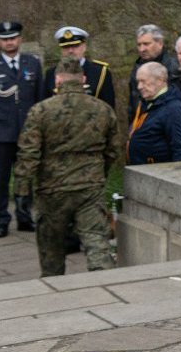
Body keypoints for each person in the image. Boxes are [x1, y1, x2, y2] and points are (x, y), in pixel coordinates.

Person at [11, 55, 119, 276]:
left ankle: (56, 296)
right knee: (97, 243)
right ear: (84, 79)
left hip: (52, 190)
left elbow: (29, 153)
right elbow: (113, 150)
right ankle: (107, 286)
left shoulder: (40, 111)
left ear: (57, 80)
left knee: (52, 253)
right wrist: (100, 174)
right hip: (89, 188)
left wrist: (22, 190)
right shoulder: (103, 109)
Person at [0, 20, 42, 237]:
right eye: (5, 39)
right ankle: (2, 219)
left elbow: (40, 99)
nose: (9, 43)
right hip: (1, 133)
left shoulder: (32, 63)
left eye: (13, 38)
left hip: (28, 132)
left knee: (25, 177)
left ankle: (24, 216)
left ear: (20, 39)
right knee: (1, 178)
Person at [40, 27, 116, 110]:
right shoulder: (51, 74)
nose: (70, 51)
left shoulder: (100, 72)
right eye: (66, 47)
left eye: (75, 46)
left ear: (84, 47)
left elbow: (109, 107)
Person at [128, 62, 181, 165]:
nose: (139, 86)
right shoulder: (146, 103)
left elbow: (180, 149)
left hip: (159, 173)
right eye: (138, 82)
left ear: (160, 80)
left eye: (143, 81)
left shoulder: (173, 108)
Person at [126, 25, 181, 120]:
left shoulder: (174, 68)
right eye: (139, 45)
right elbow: (133, 104)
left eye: (146, 44)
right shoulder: (137, 68)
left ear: (160, 43)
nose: (142, 49)